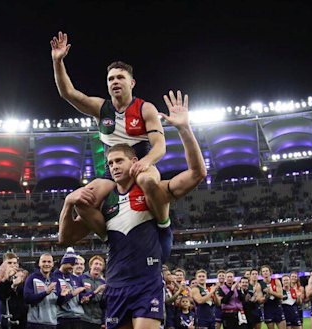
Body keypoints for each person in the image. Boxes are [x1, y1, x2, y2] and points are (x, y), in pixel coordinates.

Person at [59, 90, 207, 329]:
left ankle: (162, 223)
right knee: (80, 203)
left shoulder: (153, 190)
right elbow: (64, 238)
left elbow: (197, 173)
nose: (114, 167)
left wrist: (184, 129)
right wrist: (68, 204)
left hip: (146, 282)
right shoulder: (104, 201)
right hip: (116, 285)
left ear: (134, 162)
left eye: (120, 161)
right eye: (110, 163)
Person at [50, 31, 169, 230]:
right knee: (83, 201)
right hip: (111, 173)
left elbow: (160, 146)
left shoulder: (145, 108)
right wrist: (57, 61)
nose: (115, 82)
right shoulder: (101, 108)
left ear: (131, 83)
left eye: (120, 77)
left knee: (147, 181)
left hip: (142, 166)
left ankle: (163, 226)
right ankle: (108, 236)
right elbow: (68, 93)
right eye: (111, 79)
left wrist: (146, 162)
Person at [52, 248, 86, 329]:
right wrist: (72, 294)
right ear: (63, 263)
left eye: (74, 264)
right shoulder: (54, 277)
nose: (73, 267)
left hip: (77, 318)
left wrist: (84, 299)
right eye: (71, 264)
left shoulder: (75, 278)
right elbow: (58, 301)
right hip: (62, 319)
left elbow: (80, 297)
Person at [24, 254, 59, 329]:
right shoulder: (32, 278)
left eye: (49, 262)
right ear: (39, 263)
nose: (46, 264)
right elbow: (27, 298)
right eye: (44, 261)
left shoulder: (55, 279)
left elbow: (59, 302)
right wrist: (45, 293)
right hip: (35, 323)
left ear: (52, 264)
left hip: (52, 322)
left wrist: (65, 296)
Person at [80, 255, 107, 329]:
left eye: (100, 264)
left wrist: (103, 321)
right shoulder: (81, 278)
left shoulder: (103, 283)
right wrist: (96, 291)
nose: (98, 266)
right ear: (90, 265)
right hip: (83, 319)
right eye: (96, 263)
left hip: (97, 321)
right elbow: (82, 298)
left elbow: (104, 305)